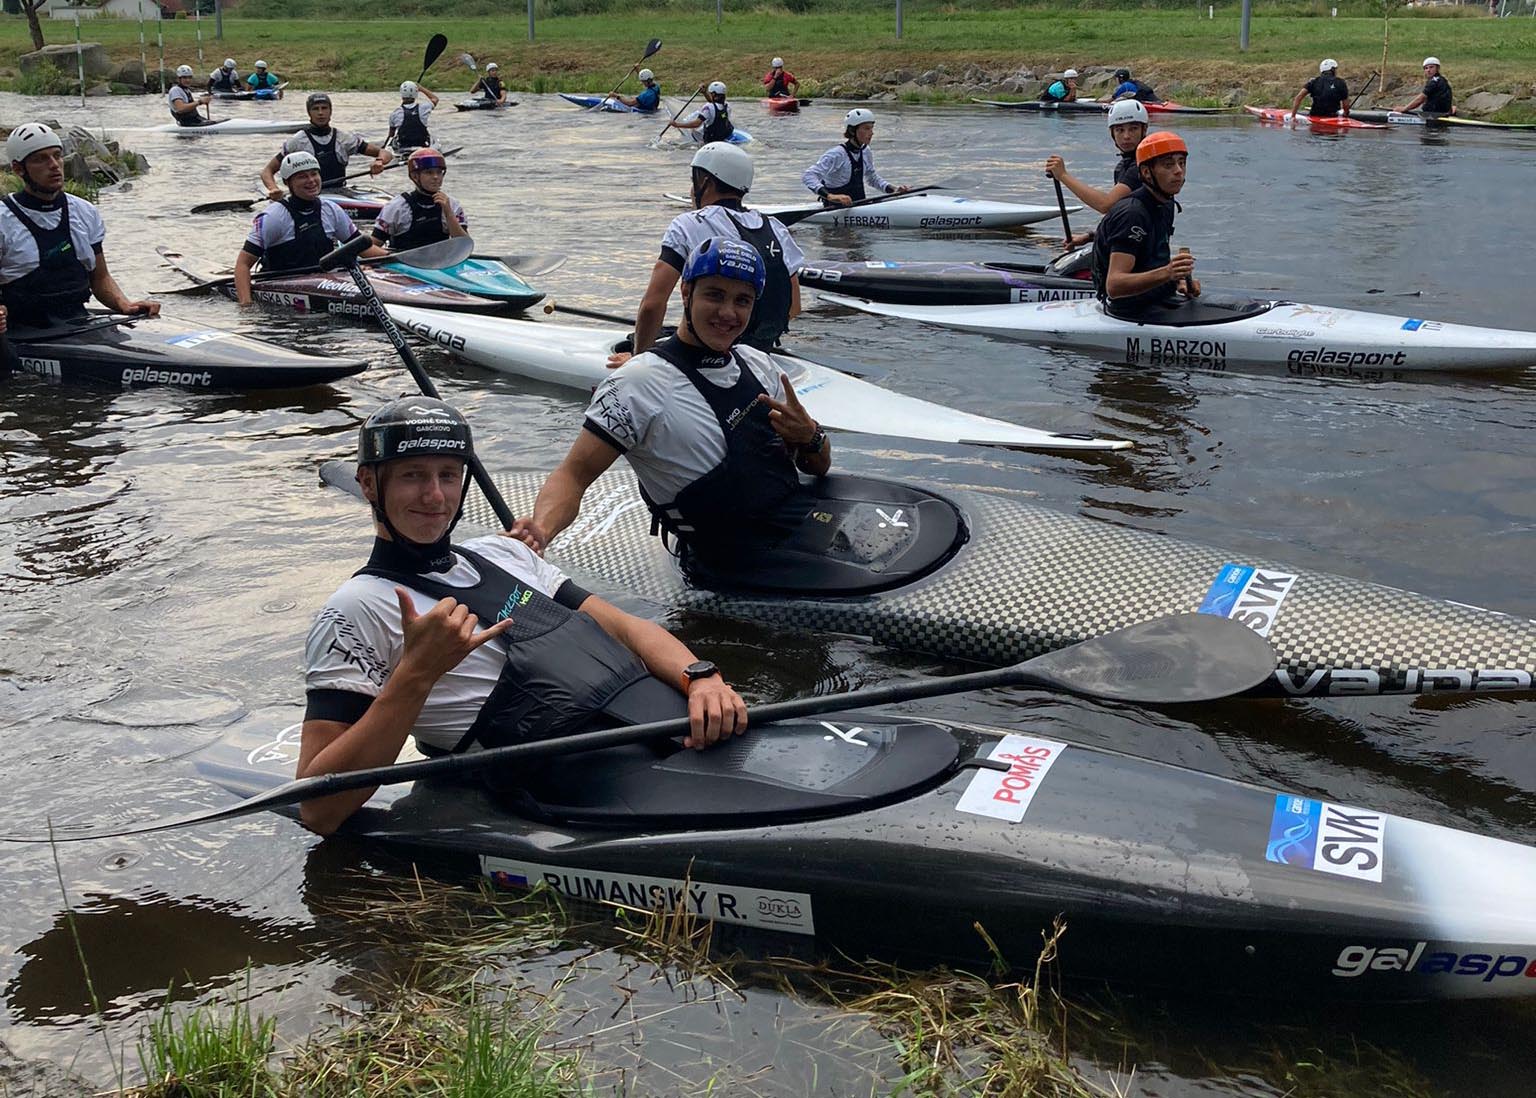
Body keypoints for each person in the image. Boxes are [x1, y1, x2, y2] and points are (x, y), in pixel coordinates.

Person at [297, 397, 749, 835]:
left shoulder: (503, 553)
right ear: (369, 485)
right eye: (413, 476)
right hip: (576, 783)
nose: (435, 495)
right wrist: (416, 674)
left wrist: (701, 677)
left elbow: (627, 630)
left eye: (448, 475)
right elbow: (319, 809)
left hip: (663, 723)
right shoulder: (355, 607)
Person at [512, 240, 829, 574]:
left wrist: (812, 437)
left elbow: (818, 466)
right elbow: (573, 475)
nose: (727, 313)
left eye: (742, 301)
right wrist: (541, 530)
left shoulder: (758, 364)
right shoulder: (637, 384)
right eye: (715, 295)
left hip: (795, 526)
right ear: (686, 292)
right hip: (730, 561)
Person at [622, 142, 803, 361]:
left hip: (704, 352)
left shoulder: (687, 224)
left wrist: (639, 360)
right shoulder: (775, 227)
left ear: (705, 181)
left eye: (693, 182)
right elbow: (793, 306)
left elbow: (652, 305)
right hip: (759, 354)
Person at [0, 123, 160, 330]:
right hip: (21, 330)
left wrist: (125, 305)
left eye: (57, 155)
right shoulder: (4, 219)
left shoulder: (84, 211)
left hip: (77, 321)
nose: (54, 165)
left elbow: (100, 278)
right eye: (41, 159)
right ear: (18, 169)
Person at [235, 151, 387, 303]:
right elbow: (243, 264)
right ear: (288, 183)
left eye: (314, 174)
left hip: (322, 284)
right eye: (302, 176)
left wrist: (396, 258)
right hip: (281, 287)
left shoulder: (331, 210)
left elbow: (362, 248)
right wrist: (246, 306)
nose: (311, 181)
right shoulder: (273, 217)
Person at [1090, 131, 1198, 319]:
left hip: (1157, 298)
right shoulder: (1132, 213)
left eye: (1181, 163)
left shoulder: (1167, 203)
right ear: (1147, 172)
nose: (1179, 171)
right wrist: (1168, 273)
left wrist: (1178, 280)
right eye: (1168, 165)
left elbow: (1152, 257)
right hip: (1127, 309)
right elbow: (1114, 285)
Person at [1045, 99, 1149, 248]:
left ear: (1143, 130)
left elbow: (1105, 205)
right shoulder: (1123, 166)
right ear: (1112, 133)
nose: (1126, 136)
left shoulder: (1142, 166)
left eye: (1133, 129)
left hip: (1141, 252)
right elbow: (1116, 214)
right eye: (1120, 130)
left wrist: (1063, 175)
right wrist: (1090, 236)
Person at [259, 92, 392, 198]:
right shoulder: (297, 141)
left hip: (340, 193)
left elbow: (385, 153)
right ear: (309, 113)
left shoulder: (344, 138)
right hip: (310, 196)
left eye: (324, 108)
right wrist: (273, 189)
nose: (321, 113)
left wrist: (379, 162)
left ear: (330, 111)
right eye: (316, 109)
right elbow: (267, 171)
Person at [802, 108, 909, 207]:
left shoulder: (865, 151)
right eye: (866, 129)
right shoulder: (837, 154)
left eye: (872, 128)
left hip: (858, 206)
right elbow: (809, 175)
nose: (871, 133)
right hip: (834, 208)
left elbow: (871, 178)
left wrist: (894, 190)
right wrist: (830, 196)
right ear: (853, 131)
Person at [370, 148, 467, 251]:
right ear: (415, 176)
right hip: (403, 263)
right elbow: (373, 245)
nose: (436, 177)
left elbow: (464, 246)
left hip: (441, 262)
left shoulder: (452, 205)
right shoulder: (397, 207)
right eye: (429, 172)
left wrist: (449, 213)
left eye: (439, 172)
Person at [667, 81, 733, 144]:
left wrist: (677, 125)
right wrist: (705, 93)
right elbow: (714, 103)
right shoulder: (727, 106)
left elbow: (696, 124)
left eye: (710, 93)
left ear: (713, 94)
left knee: (694, 132)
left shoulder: (708, 107)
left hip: (710, 140)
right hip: (723, 137)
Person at [387, 80, 439, 151]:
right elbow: (435, 99)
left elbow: (391, 134)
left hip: (403, 146)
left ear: (401, 94)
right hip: (422, 144)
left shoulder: (395, 113)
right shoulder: (424, 107)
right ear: (416, 93)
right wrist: (421, 88)